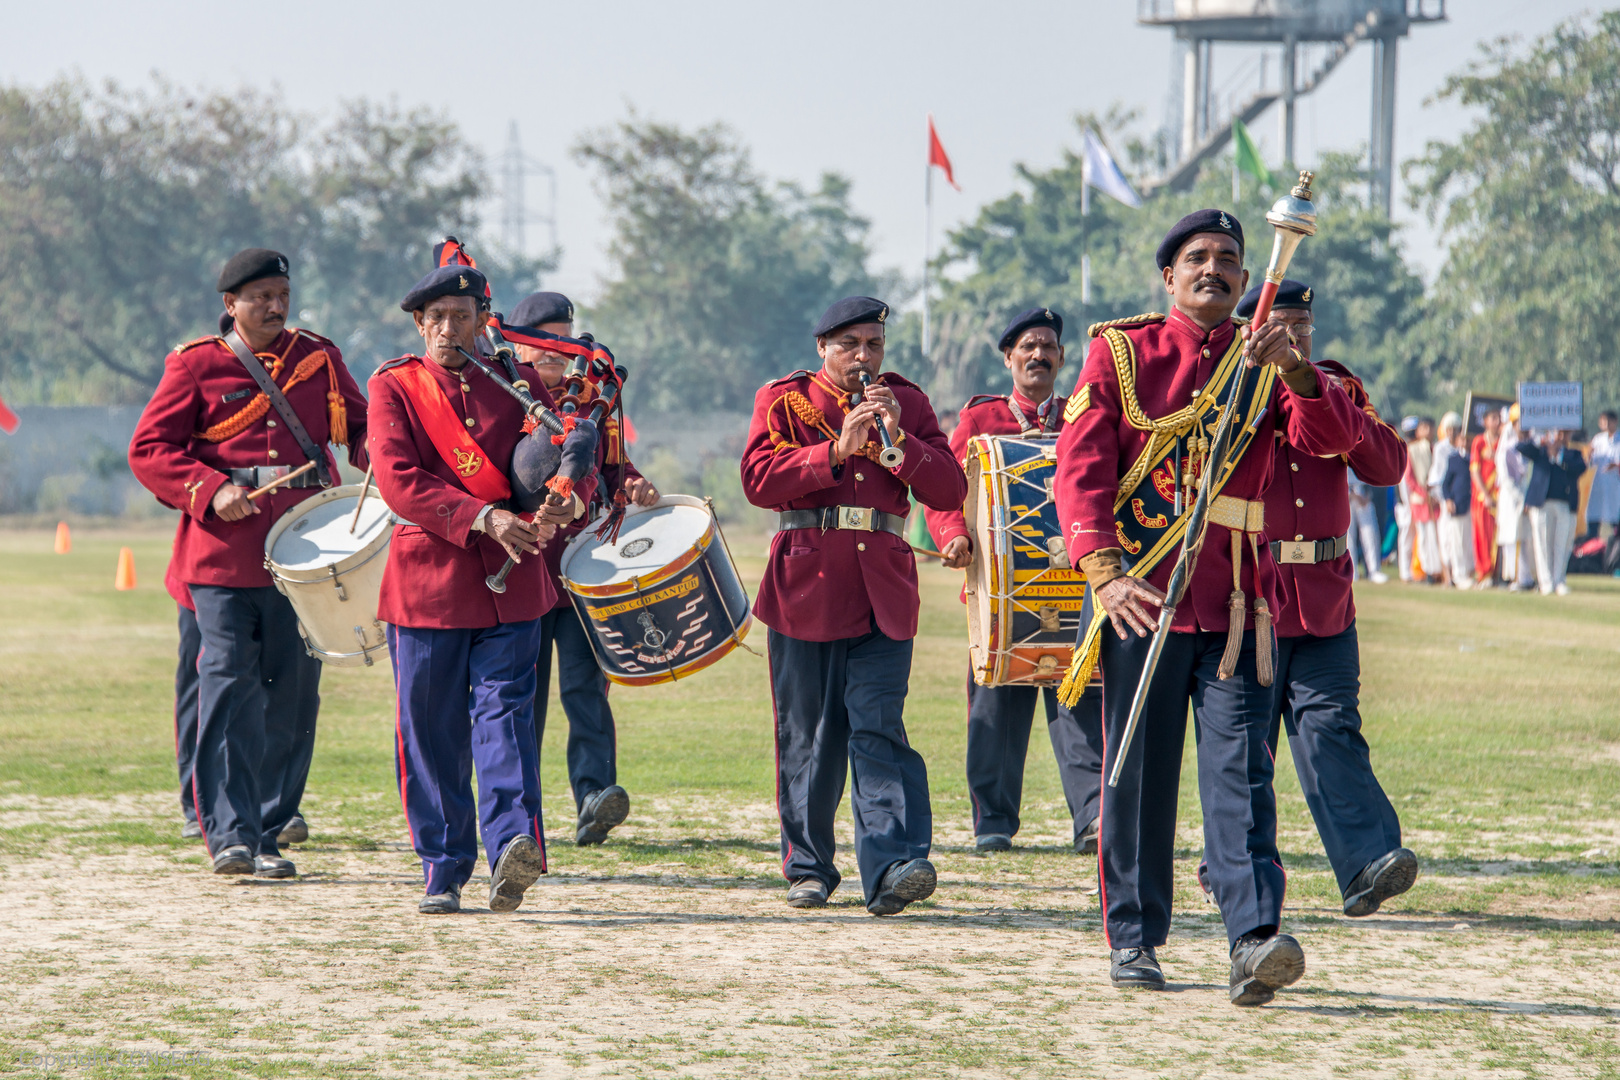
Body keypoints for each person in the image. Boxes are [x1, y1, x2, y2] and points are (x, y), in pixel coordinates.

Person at [1054, 211, 1359, 1006]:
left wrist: (1294, 373)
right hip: (1143, 599)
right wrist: (1103, 570)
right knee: (1139, 782)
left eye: (1230, 258)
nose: (1214, 269)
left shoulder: (1267, 357)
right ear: (1169, 276)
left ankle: (1253, 938)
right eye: (1197, 258)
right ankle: (1134, 936)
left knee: (1239, 777)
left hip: (1234, 604)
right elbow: (1082, 464)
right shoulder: (1122, 351)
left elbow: (1329, 441)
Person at [130, 248, 367, 879]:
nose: (273, 305)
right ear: (230, 304)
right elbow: (150, 449)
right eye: (259, 296)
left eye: (280, 293)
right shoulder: (196, 364)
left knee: (292, 695)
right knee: (229, 685)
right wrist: (210, 490)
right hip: (221, 558)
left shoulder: (318, 357)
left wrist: (394, 468)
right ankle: (229, 834)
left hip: (306, 555)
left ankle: (268, 830)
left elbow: (365, 430)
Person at [740, 296, 967, 915]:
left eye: (873, 345)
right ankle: (809, 867)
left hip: (883, 590)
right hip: (806, 585)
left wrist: (904, 442)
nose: (863, 358)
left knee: (878, 725)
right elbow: (758, 481)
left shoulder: (910, 403)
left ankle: (893, 864)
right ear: (822, 348)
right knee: (809, 735)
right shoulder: (785, 400)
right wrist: (836, 451)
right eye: (849, 346)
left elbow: (949, 487)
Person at [1231, 278, 1418, 919]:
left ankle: (1367, 862)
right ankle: (1226, 865)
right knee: (1245, 746)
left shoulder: (1337, 387)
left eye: (1302, 329)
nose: (1293, 339)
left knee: (1331, 727)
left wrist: (1316, 385)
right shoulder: (1225, 390)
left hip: (1325, 595)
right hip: (1250, 594)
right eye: (1280, 328)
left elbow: (1389, 466)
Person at [923, 306, 1104, 855]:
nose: (1038, 355)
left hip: (1075, 585)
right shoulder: (980, 419)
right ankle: (994, 822)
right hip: (1002, 589)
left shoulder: (1084, 415)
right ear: (1009, 358)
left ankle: (1094, 818)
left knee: (1082, 699)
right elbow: (946, 489)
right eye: (1027, 346)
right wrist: (953, 535)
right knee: (995, 703)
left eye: (1048, 346)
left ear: (1061, 359)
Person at [505, 290, 659, 846]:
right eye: (550, 342)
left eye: (568, 338)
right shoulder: (506, 393)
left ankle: (594, 796)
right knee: (520, 696)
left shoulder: (593, 395)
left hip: (580, 567)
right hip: (521, 563)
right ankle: (518, 816)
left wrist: (634, 483)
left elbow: (612, 466)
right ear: (523, 347)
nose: (564, 352)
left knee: (585, 687)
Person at [1518, 429, 1587, 596]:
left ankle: (1559, 580)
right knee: (1543, 543)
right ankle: (1546, 581)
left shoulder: (1573, 454)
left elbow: (1580, 468)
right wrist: (1539, 442)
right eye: (1558, 434)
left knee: (1562, 544)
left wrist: (1558, 457)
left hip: (1564, 503)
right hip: (1541, 503)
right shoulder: (1540, 451)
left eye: (1564, 434)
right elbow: (1521, 447)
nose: (1560, 438)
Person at [1430, 412, 1475, 588]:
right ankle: (1451, 575)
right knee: (1448, 539)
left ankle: (1465, 573)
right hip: (1447, 501)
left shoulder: (1465, 454)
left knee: (1464, 538)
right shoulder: (1442, 450)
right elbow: (1440, 479)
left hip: (1463, 501)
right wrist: (1446, 499)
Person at [1498, 408, 1536, 591]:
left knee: (1528, 539)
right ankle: (1516, 578)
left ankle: (1528, 578)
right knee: (1513, 538)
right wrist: (1522, 500)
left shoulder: (1533, 446)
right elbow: (1507, 479)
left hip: (1530, 500)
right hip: (1513, 501)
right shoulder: (1507, 447)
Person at [1400, 418, 1441, 582]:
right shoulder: (1413, 450)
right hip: (1420, 500)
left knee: (1435, 536)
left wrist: (1434, 494)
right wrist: (1424, 494)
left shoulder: (1435, 449)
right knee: (1424, 537)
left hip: (1435, 500)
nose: (1427, 431)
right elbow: (1409, 478)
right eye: (1424, 427)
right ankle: (1427, 570)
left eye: (1430, 428)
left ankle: (1438, 571)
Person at [1469, 408, 1502, 585]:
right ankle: (1484, 572)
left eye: (1498, 418)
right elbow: (1475, 471)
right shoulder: (1479, 442)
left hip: (1500, 497)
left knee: (1499, 536)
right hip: (1482, 498)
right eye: (1493, 418)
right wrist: (1484, 493)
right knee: (1482, 534)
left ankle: (1498, 573)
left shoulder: (1503, 442)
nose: (1497, 422)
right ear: (1485, 421)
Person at [1346, 470, 1388, 583]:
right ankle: (1352, 571)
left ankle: (1374, 570)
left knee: (1371, 533)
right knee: (1348, 535)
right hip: (1345, 491)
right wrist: (1351, 493)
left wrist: (1368, 493)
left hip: (1363, 488)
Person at [1588, 410, 1620, 538]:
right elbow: (1590, 460)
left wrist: (1616, 465)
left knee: (1615, 521)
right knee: (1594, 517)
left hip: (1614, 486)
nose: (1605, 424)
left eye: (1608, 421)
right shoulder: (1597, 439)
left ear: (1615, 421)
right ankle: (1593, 552)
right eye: (1602, 421)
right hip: (1598, 486)